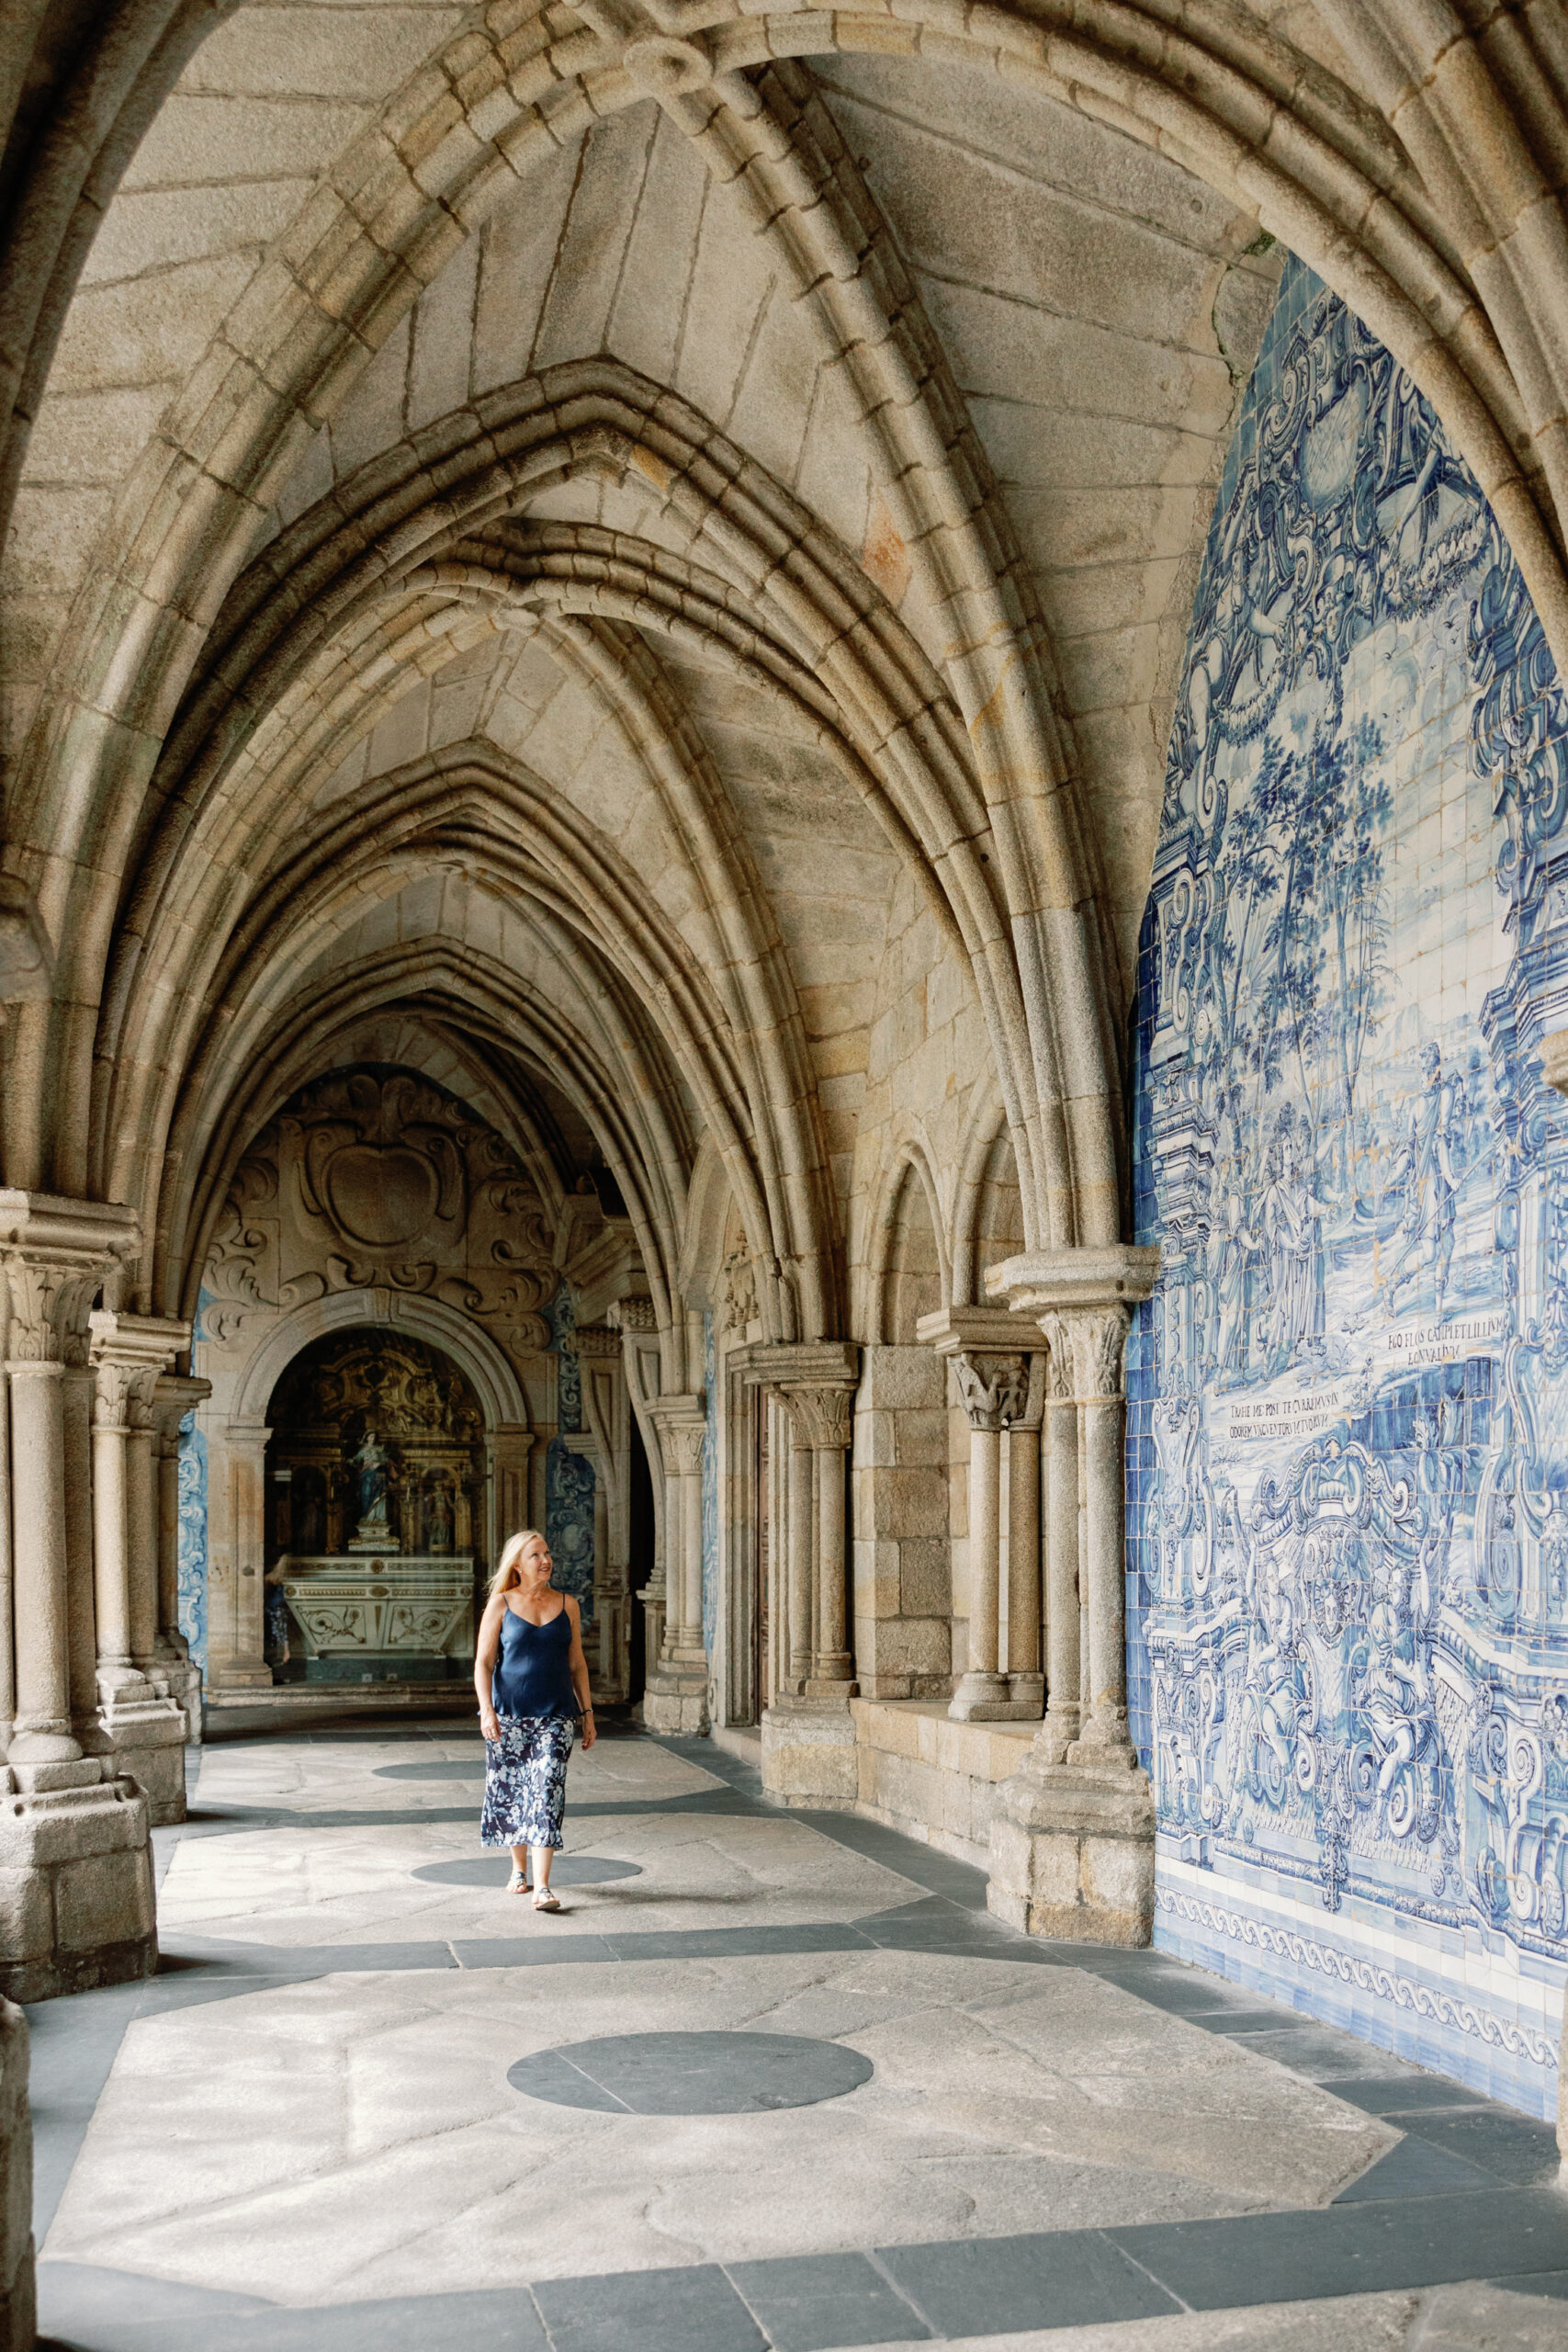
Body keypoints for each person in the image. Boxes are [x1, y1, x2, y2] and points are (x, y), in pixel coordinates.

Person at [474, 1529, 596, 1910]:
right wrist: (487, 1711)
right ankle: (518, 1870)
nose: (546, 1561)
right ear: (517, 1564)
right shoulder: (500, 1604)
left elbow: (577, 1664)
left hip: (556, 1715)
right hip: (508, 1716)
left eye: (547, 1553)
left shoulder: (568, 1605)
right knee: (512, 1795)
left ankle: (543, 1886)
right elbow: (483, 1663)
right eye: (535, 1556)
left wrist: (587, 1714)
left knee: (546, 1793)